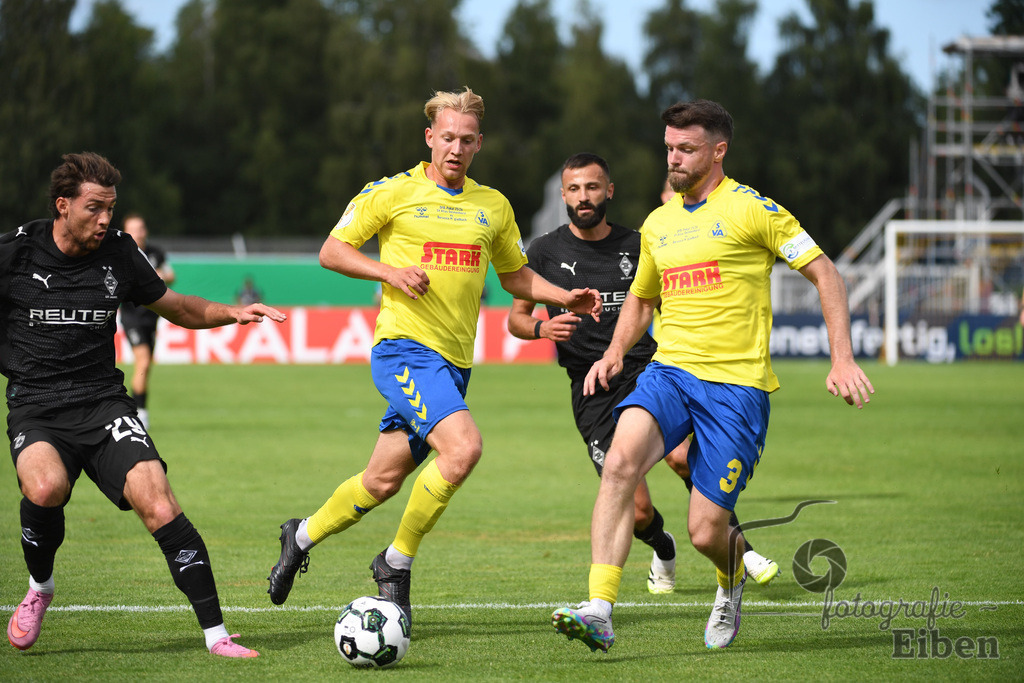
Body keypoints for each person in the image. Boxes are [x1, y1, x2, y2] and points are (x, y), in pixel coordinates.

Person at [266, 88, 602, 626]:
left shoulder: (493, 205)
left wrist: (564, 296)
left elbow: (513, 274)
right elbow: (332, 250)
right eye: (447, 137)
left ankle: (299, 535)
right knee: (464, 449)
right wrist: (388, 272)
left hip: (453, 364)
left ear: (478, 145)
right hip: (403, 349)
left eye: (467, 140)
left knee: (380, 481)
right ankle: (394, 564)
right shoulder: (392, 193)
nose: (456, 148)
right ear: (430, 138)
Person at [551, 100, 874, 653]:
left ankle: (729, 584)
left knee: (705, 531)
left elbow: (825, 273)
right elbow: (641, 297)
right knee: (621, 462)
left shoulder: (755, 211)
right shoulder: (660, 222)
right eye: (669, 148)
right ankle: (600, 608)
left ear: (718, 151)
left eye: (686, 149)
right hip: (668, 373)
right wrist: (615, 351)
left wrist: (841, 357)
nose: (673, 158)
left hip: (737, 390)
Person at [2, 152, 287, 657]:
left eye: (111, 208)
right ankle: (40, 588)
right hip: (38, 407)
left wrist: (233, 313)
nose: (106, 219)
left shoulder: (118, 252)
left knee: (159, 502)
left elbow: (174, 306)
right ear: (62, 205)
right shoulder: (17, 254)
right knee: (46, 487)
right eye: (94, 208)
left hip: (103, 402)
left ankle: (217, 635)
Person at [508, 153, 777, 595]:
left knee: (679, 455)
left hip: (647, 370)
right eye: (574, 189)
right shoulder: (543, 251)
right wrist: (542, 328)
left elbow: (662, 301)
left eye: (593, 187)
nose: (584, 197)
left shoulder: (639, 242)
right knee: (636, 511)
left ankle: (740, 548)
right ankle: (664, 547)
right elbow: (516, 318)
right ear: (563, 195)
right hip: (591, 388)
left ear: (608, 191)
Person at [118, 213, 175, 429]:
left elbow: (171, 275)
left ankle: (139, 409)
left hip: (152, 316)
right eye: (133, 229)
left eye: (141, 228)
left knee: (146, 365)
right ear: (126, 232)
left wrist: (160, 274)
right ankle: (139, 413)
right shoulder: (121, 252)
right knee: (142, 361)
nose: (138, 232)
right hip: (132, 316)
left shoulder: (155, 253)